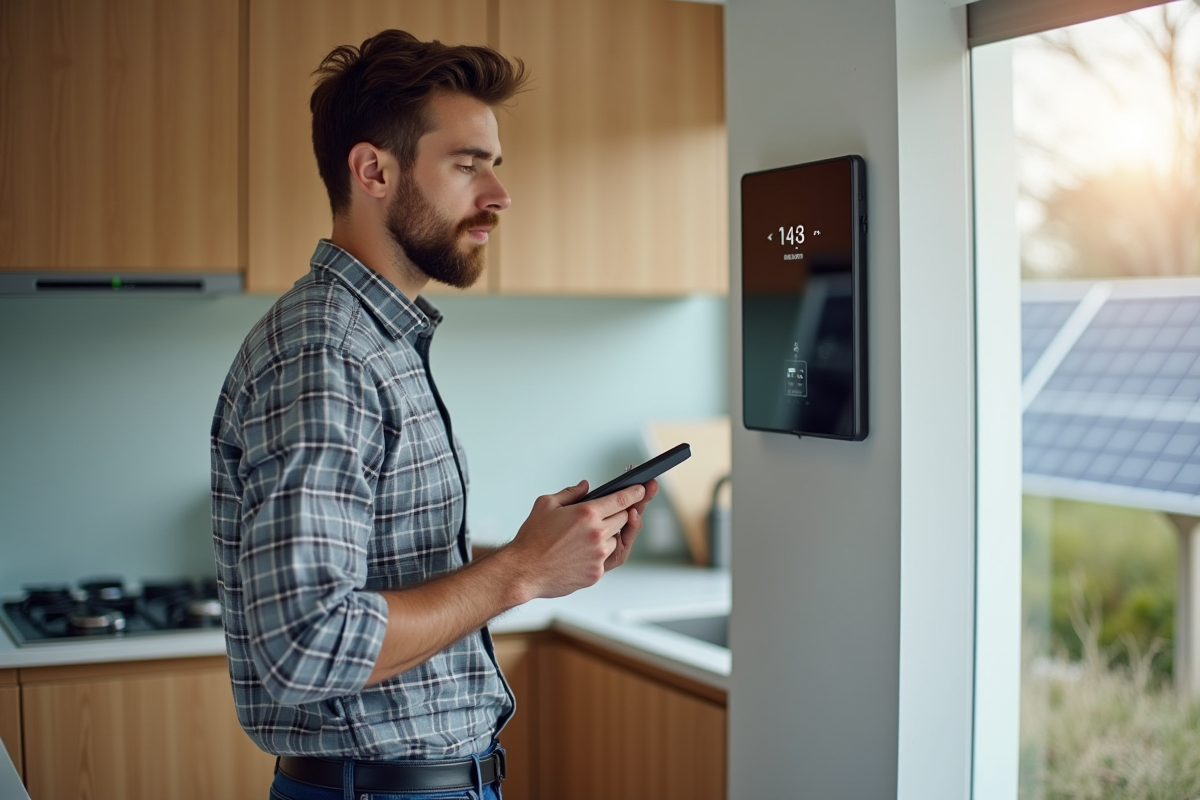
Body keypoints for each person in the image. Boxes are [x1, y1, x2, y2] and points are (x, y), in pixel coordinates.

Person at [210, 29, 658, 800]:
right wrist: (518, 574)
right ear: (373, 170)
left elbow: (387, 564)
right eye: (466, 164)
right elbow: (309, 646)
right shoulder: (328, 355)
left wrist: (537, 554)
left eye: (495, 164)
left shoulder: (377, 340)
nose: (498, 194)